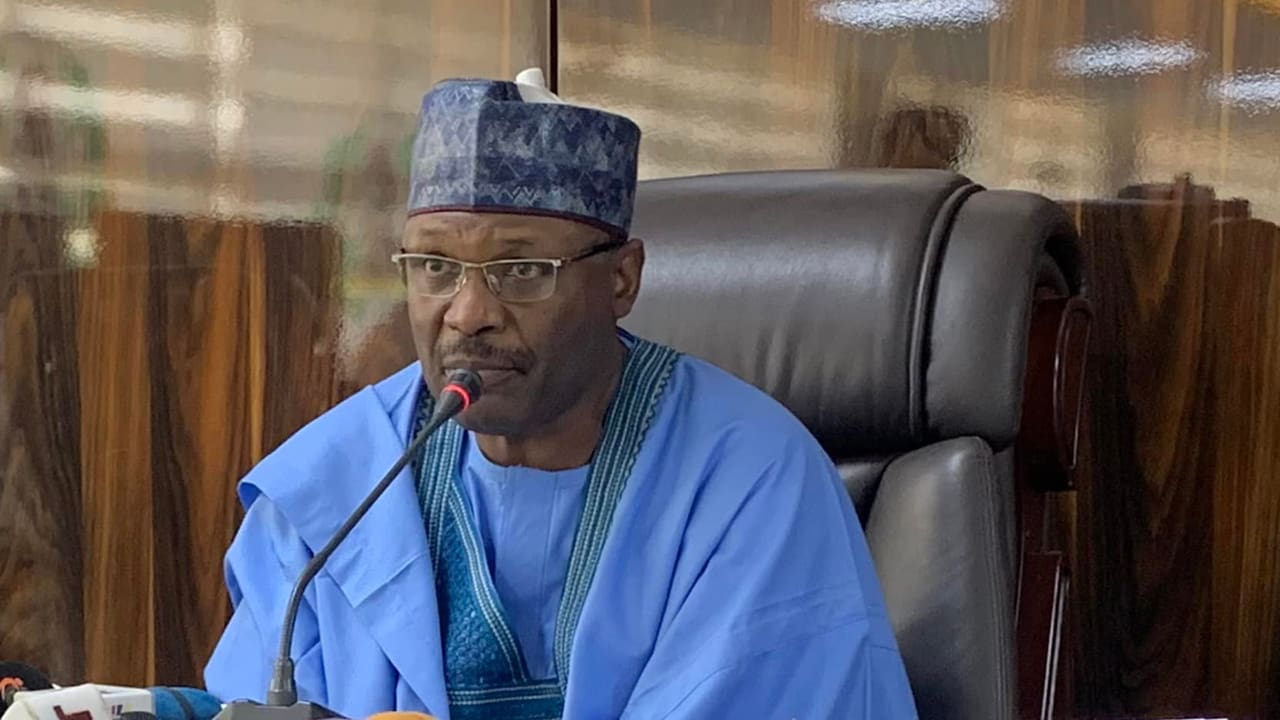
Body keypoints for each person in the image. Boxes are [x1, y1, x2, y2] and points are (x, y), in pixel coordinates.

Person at [203, 68, 919, 720]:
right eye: (435, 266)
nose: (468, 313)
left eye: (521, 271)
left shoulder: (753, 481)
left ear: (621, 280)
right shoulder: (332, 488)